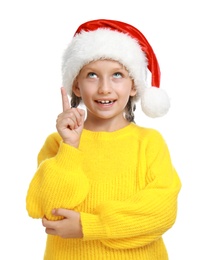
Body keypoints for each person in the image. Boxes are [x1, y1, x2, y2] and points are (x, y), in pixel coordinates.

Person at [26, 19, 182, 260]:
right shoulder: (58, 144)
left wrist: (89, 226)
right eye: (92, 75)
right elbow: (50, 214)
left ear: (134, 86)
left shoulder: (149, 143)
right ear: (76, 86)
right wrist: (71, 147)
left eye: (117, 74)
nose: (104, 89)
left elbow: (160, 213)